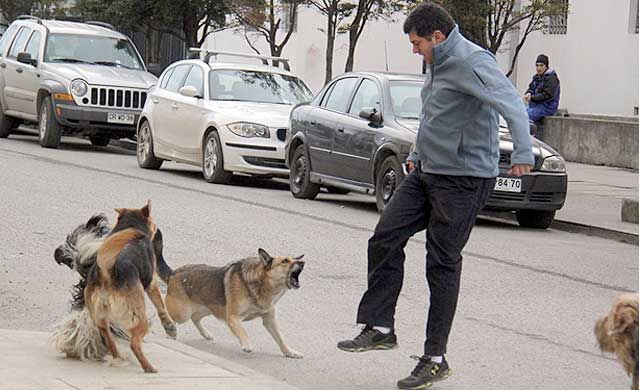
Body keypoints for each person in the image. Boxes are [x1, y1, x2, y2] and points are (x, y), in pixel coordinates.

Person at [336, 3, 534, 389]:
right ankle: (379, 326)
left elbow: (510, 102)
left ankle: (435, 358)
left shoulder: (473, 60)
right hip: (427, 171)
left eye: (417, 43)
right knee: (384, 237)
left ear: (437, 37)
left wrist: (524, 152)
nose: (414, 50)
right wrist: (415, 153)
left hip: (463, 179)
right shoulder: (438, 62)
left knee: (441, 263)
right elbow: (434, 115)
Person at [524, 54, 561, 123]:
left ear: (546, 66)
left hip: (547, 107)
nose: (538, 68)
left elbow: (547, 95)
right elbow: (531, 88)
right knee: (519, 114)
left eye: (541, 65)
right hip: (535, 106)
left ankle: (527, 132)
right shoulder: (536, 77)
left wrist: (532, 98)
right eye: (537, 65)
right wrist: (528, 93)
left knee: (526, 117)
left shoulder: (552, 78)